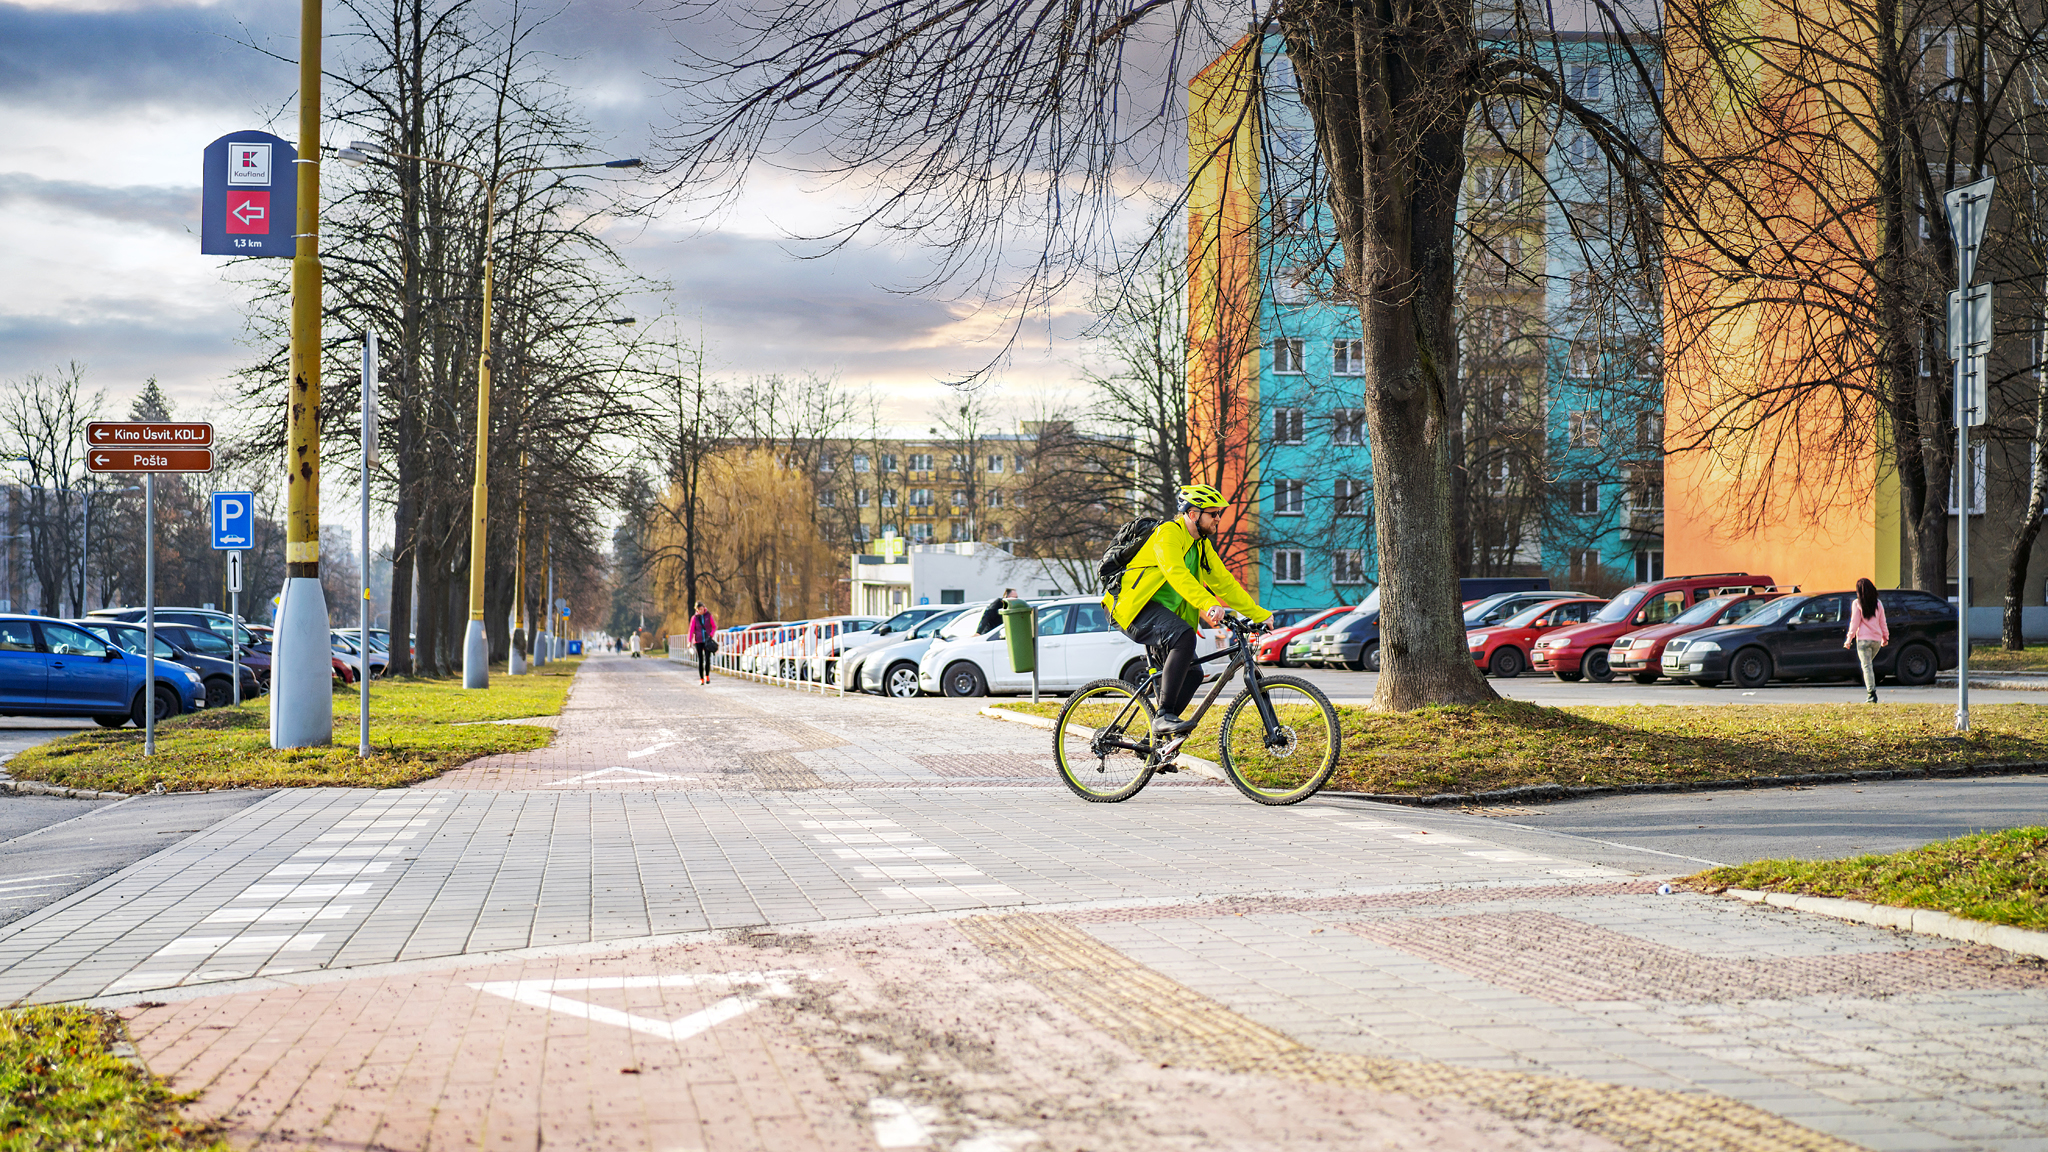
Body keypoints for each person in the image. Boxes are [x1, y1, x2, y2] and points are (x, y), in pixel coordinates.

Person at [1105, 483, 1272, 736]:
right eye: (1213, 514)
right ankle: (1163, 717)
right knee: (1184, 636)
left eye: (1219, 514)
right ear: (1193, 514)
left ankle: (1157, 741)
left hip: (1159, 614)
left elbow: (1224, 584)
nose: (1218, 519)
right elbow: (1176, 573)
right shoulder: (1168, 534)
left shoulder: (1201, 545)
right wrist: (1208, 603)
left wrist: (1260, 614)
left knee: (1194, 674)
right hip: (1131, 608)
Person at [1844, 578, 1889, 703]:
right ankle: (1871, 692)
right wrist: (1885, 637)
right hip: (1876, 641)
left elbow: (1854, 623)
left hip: (1863, 641)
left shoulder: (1857, 603)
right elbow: (1882, 622)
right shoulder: (1878, 603)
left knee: (1867, 666)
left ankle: (1871, 694)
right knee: (1869, 665)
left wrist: (1849, 639)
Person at [687, 602, 719, 684]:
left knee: (707, 658)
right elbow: (691, 630)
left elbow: (714, 626)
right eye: (698, 610)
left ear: (704, 608)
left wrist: (711, 635)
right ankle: (701, 679)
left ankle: (707, 676)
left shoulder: (709, 615)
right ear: (696, 610)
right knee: (700, 660)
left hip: (707, 641)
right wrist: (689, 641)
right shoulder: (694, 618)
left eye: (701, 609)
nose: (700, 611)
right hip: (698, 641)